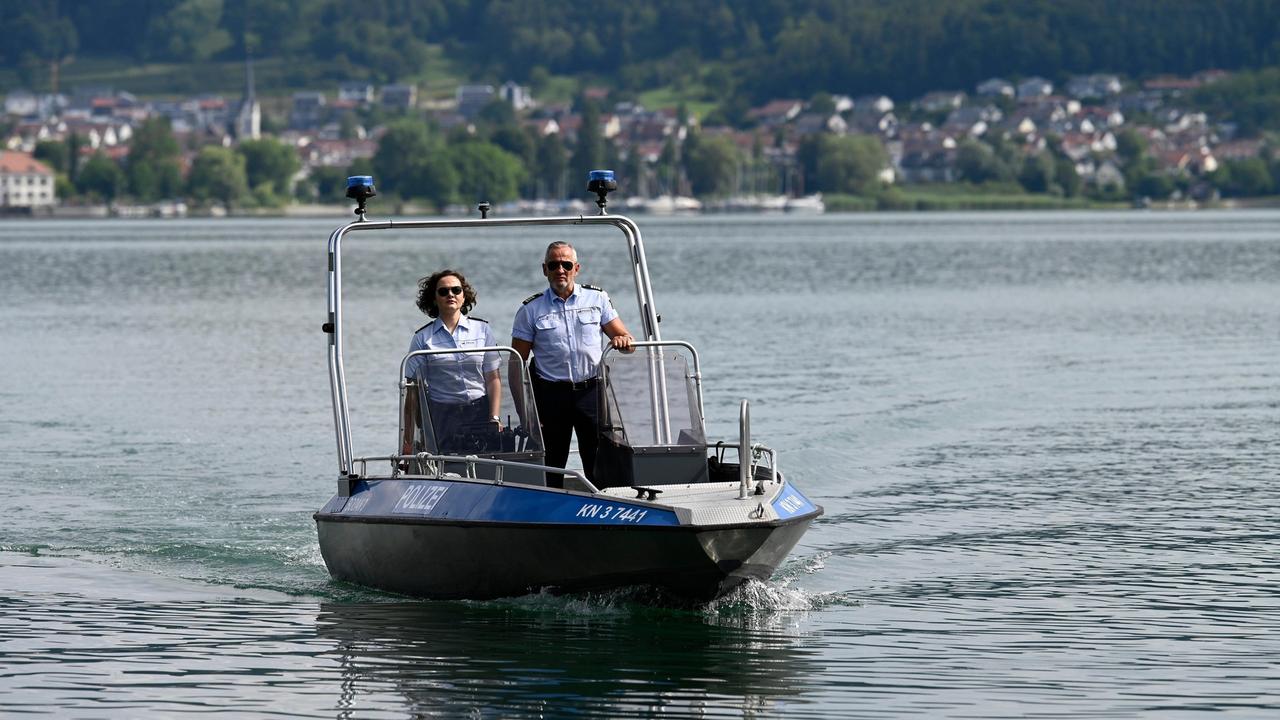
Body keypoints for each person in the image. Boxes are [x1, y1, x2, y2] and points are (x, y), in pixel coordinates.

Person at [511, 241, 634, 487]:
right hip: (550, 396)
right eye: (554, 265)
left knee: (598, 459)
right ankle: (550, 516)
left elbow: (629, 343)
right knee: (552, 462)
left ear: (576, 268)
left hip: (591, 393)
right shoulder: (530, 310)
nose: (560, 270)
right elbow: (515, 364)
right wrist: (525, 412)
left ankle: (602, 509)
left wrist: (622, 339)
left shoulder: (597, 299)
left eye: (566, 264)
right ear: (544, 269)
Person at [401, 269, 503, 457]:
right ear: (434, 299)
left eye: (456, 290)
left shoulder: (482, 330)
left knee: (486, 467)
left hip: (479, 412)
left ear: (464, 297)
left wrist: (494, 417)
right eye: (443, 291)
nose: (450, 295)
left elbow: (493, 378)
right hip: (442, 416)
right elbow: (413, 393)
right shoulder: (422, 338)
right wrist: (407, 441)